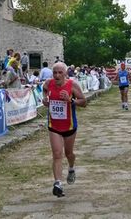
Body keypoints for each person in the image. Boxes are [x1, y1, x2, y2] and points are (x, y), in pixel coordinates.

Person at [42, 62, 86, 197]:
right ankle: (58, 184)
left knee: (69, 154)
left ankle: (71, 168)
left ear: (65, 74)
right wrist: (45, 99)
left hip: (69, 126)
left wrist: (70, 100)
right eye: (54, 72)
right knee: (56, 154)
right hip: (54, 125)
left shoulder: (72, 85)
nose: (56, 75)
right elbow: (44, 89)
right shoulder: (48, 83)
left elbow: (83, 102)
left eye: (60, 72)